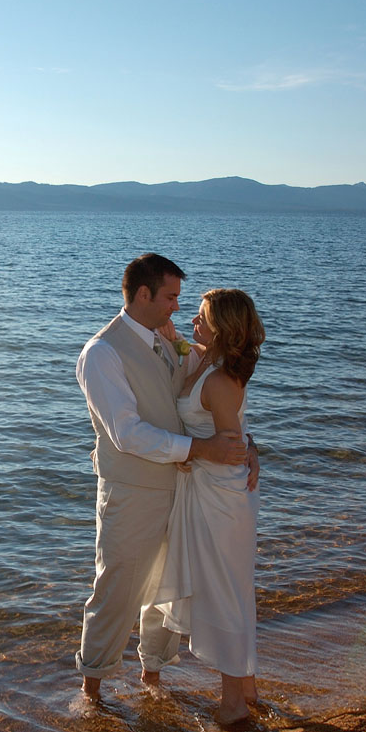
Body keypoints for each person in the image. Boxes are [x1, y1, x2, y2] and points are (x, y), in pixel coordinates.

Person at [75, 254, 257, 701]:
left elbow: (221, 390)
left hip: (185, 491)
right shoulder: (102, 353)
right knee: (117, 588)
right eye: (171, 297)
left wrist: (248, 447)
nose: (177, 307)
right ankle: (92, 690)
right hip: (132, 492)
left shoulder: (169, 341)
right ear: (143, 295)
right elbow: (127, 433)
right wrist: (202, 449)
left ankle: (152, 679)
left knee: (165, 589)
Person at [155, 288, 266, 724]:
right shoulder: (201, 356)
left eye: (202, 317)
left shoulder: (220, 380)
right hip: (208, 491)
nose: (193, 322)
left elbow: (232, 444)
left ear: (222, 328)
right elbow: (239, 431)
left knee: (224, 593)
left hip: (221, 500)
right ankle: (247, 684)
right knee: (232, 590)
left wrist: (195, 454)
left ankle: (233, 703)